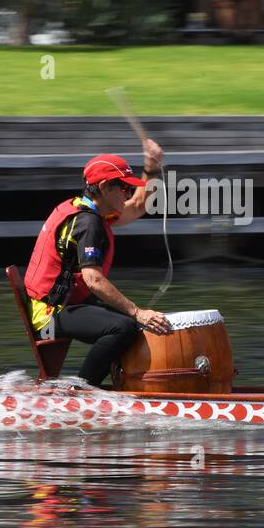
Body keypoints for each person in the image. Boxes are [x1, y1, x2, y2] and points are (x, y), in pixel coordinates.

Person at [22, 144, 173, 386]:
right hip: (50, 317)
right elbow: (93, 280)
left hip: (64, 306)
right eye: (124, 187)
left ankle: (123, 384)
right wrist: (137, 311)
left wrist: (151, 169)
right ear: (104, 187)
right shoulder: (87, 223)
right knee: (123, 327)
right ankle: (82, 389)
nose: (128, 193)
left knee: (132, 324)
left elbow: (137, 206)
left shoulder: (85, 208)